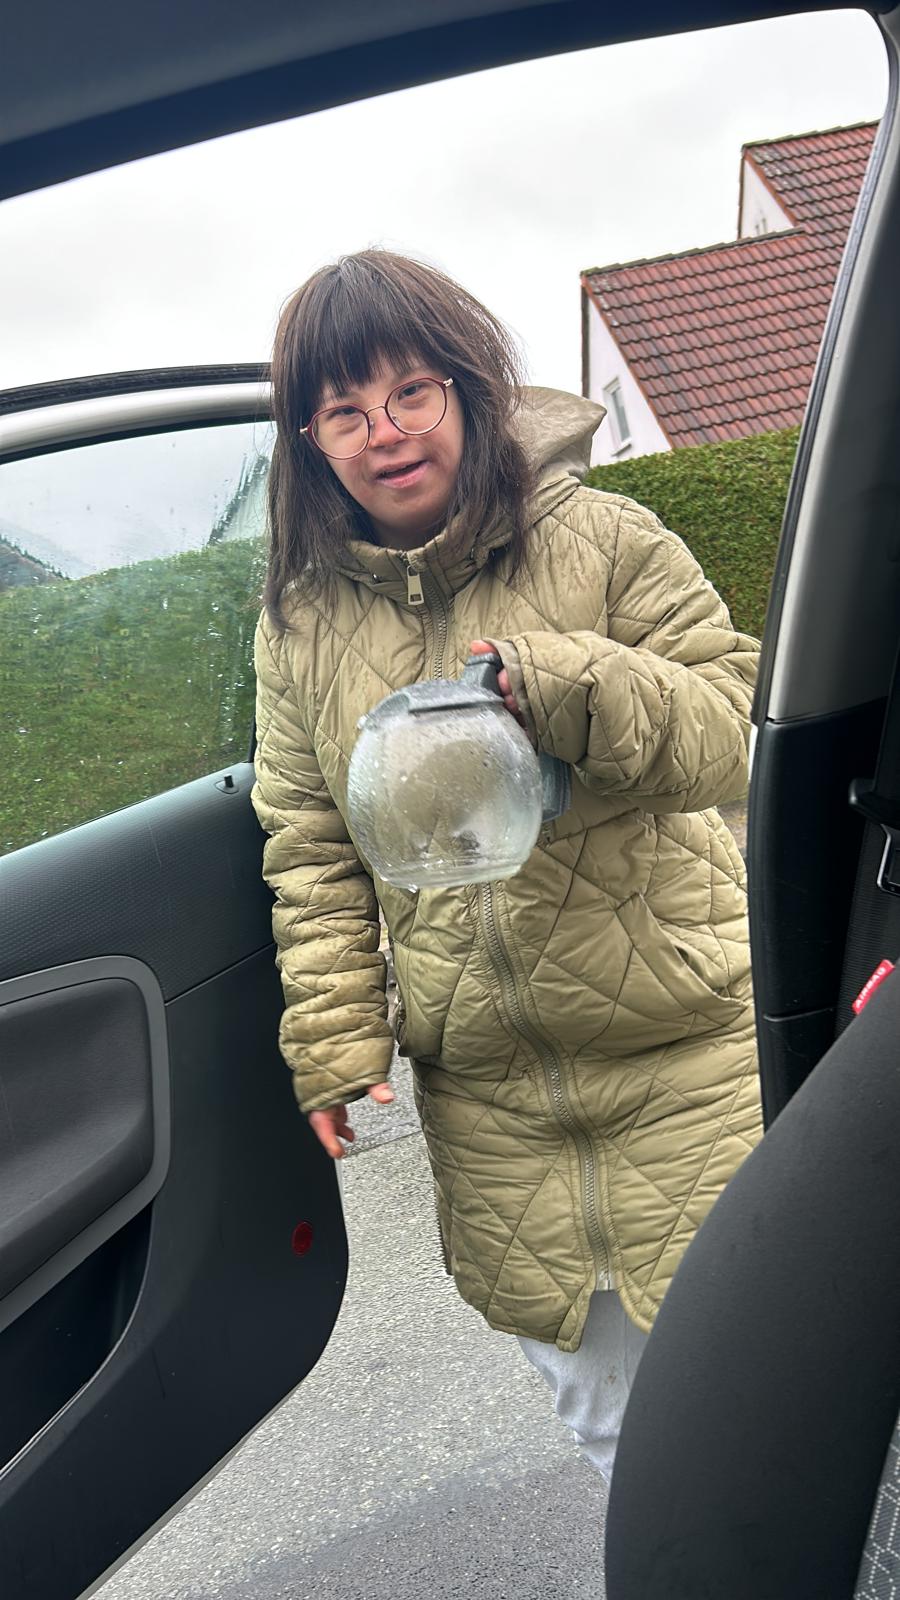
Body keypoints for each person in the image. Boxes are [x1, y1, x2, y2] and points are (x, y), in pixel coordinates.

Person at [251, 248, 763, 1482]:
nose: (384, 432)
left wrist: (577, 684)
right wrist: (335, 1034)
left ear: (469, 387)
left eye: (410, 391)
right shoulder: (298, 624)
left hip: (689, 1054)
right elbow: (310, 842)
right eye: (343, 411)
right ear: (310, 442)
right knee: (619, 1435)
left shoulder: (604, 538)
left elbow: (733, 731)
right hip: (492, 1104)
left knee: (781, 1390)